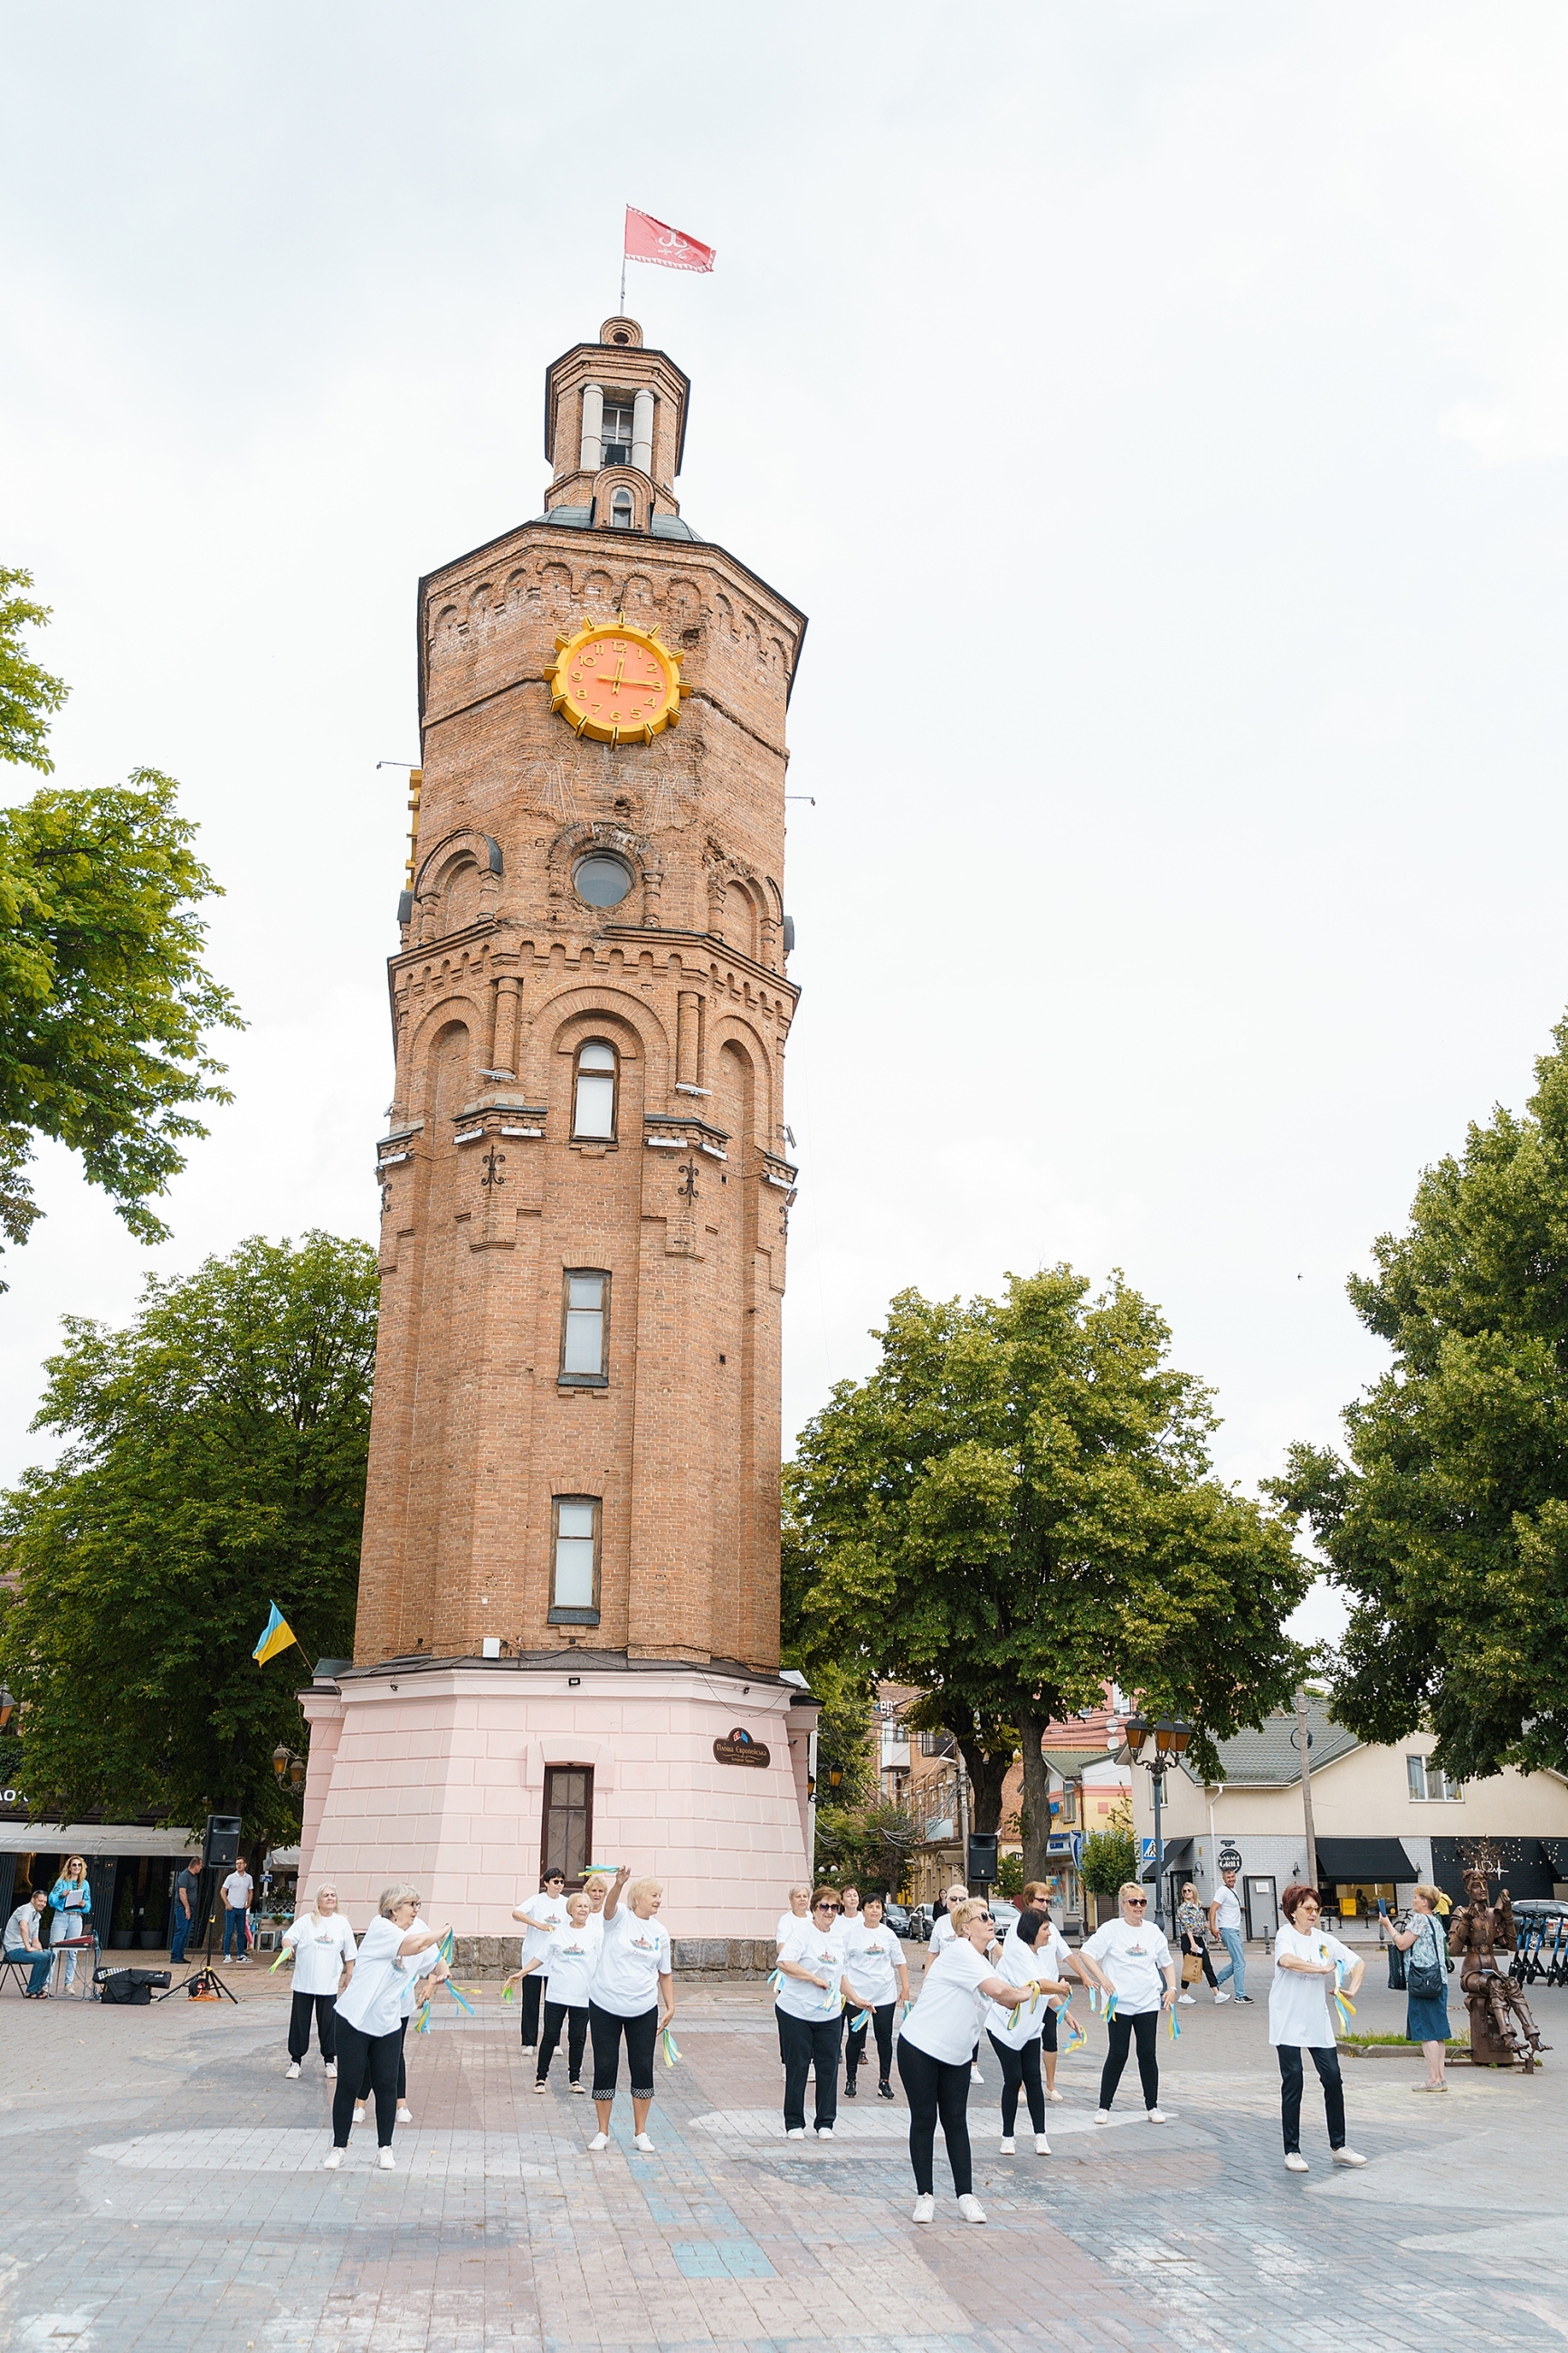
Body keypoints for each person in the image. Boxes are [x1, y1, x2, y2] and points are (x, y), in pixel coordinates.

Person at [897, 1896, 1035, 2226]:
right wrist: (1028, 1993)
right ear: (964, 1928)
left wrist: (1042, 1998)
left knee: (956, 2121)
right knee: (925, 2119)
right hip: (920, 2047)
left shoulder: (984, 1962)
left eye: (991, 1916)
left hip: (956, 2056)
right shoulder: (960, 1951)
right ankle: (925, 2196)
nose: (991, 1920)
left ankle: (965, 2196)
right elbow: (1002, 1993)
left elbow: (1004, 1997)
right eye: (983, 1916)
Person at [325, 1885, 449, 2171]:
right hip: (355, 2019)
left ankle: (385, 2148)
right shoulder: (381, 1928)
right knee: (349, 2083)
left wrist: (438, 1976)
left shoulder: (415, 1933)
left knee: (386, 2084)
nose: (416, 1909)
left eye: (418, 1903)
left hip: (388, 2022)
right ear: (394, 1908)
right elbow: (416, 1946)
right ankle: (338, 2148)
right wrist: (443, 1930)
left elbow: (436, 1962)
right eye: (411, 1904)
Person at [1269, 1881, 1366, 2172]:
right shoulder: (1284, 1935)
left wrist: (1351, 1989)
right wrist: (1321, 1969)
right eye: (1307, 1908)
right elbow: (1287, 1961)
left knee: (1333, 2078)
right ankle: (1292, 2151)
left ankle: (1339, 2146)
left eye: (1316, 1908)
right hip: (1286, 2017)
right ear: (1292, 1912)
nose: (1313, 1914)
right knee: (1294, 2079)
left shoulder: (1326, 1939)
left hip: (1316, 2019)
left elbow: (1357, 1962)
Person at [588, 1865, 674, 2154]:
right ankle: (602, 2132)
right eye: (653, 1894)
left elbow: (665, 1973)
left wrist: (670, 2005)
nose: (658, 1900)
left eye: (660, 1895)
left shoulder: (661, 1932)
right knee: (605, 2066)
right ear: (637, 1897)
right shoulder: (619, 1918)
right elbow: (609, 1907)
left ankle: (641, 2132)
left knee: (642, 2068)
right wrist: (618, 1884)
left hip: (643, 2009)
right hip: (605, 2005)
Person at [1078, 1882, 1178, 2123]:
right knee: (1118, 2053)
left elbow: (1166, 1963)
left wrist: (1172, 1988)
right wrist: (1101, 1979)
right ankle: (1104, 2106)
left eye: (1142, 1902)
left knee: (1147, 2053)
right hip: (1119, 2003)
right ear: (1124, 1905)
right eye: (1133, 1902)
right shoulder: (1111, 1929)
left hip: (1147, 2002)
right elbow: (1086, 1953)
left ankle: (1152, 2106)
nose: (1138, 1907)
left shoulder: (1153, 1931)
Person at [774, 1886, 869, 2140]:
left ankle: (825, 2122)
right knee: (799, 2066)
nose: (829, 1912)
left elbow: (841, 1975)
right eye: (824, 1907)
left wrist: (857, 1999)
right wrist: (812, 1978)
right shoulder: (802, 1932)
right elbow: (784, 1962)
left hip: (828, 2015)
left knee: (828, 2068)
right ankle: (794, 2122)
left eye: (833, 1907)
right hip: (796, 2011)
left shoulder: (839, 1937)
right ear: (814, 1909)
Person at [986, 1906, 1077, 2155]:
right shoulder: (1017, 1954)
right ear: (1031, 1931)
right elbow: (1040, 1985)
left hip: (1029, 2030)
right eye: (1046, 1929)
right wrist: (1060, 1987)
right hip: (1004, 2028)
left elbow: (1045, 1993)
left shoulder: (1037, 1957)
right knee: (1014, 2079)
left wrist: (1066, 2014)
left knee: (1033, 2080)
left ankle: (1040, 2136)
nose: (1049, 1934)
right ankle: (1008, 2137)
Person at [280, 1885, 356, 2078]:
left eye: (333, 1895)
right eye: (326, 1895)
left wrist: (349, 1974)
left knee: (329, 2023)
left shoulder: (342, 1923)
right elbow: (288, 1937)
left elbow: (350, 1952)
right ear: (318, 1900)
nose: (330, 1898)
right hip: (304, 1981)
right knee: (299, 2022)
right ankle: (295, 2062)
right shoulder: (307, 1921)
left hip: (328, 1983)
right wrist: (288, 1947)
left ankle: (329, 2061)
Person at [1382, 1884, 1449, 2091]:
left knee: (1426, 2032)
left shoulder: (1419, 1920)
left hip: (1422, 1981)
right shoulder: (1436, 1922)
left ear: (1425, 1902)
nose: (1412, 1901)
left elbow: (1402, 1944)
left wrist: (1388, 1925)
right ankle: (1441, 2077)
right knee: (1438, 2031)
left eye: (1416, 1898)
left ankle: (1432, 2079)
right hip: (1439, 1979)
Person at [532, 1891, 601, 2094]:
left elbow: (607, 1959)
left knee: (577, 2037)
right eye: (579, 1906)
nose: (583, 1910)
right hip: (557, 1994)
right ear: (571, 1909)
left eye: (586, 1906)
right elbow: (541, 1956)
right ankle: (540, 2078)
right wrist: (521, 1973)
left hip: (583, 1995)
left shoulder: (596, 1933)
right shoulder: (559, 1932)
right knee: (550, 2036)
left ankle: (575, 2079)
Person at [842, 1893, 909, 2101]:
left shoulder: (888, 1935)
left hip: (884, 1995)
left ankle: (884, 2081)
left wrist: (905, 1988)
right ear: (862, 1910)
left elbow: (900, 1962)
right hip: (858, 1995)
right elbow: (842, 1965)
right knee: (854, 2038)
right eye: (870, 1906)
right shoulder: (852, 1934)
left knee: (884, 2039)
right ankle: (851, 2079)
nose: (874, 1910)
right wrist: (846, 1992)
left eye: (878, 1907)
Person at [928, 1882, 986, 2082]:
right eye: (954, 1899)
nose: (958, 1902)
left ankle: (973, 2065)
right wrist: (928, 1981)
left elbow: (994, 1946)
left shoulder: (976, 1922)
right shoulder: (941, 1923)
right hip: (948, 1981)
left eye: (963, 1899)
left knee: (972, 2020)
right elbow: (932, 1954)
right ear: (946, 1902)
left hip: (970, 1979)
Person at [510, 1868, 568, 2054]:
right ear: (546, 1883)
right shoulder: (536, 1901)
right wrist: (538, 1924)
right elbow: (516, 1913)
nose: (559, 1885)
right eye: (555, 1882)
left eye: (561, 1882)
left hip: (556, 1961)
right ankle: (529, 2042)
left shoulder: (566, 1903)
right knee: (531, 2003)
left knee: (555, 2004)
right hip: (533, 1959)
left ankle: (553, 2041)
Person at [47, 1857, 92, 1996]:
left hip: (76, 1917)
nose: (76, 1867)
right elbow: (51, 1900)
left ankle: (68, 1983)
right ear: (69, 1867)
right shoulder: (62, 1882)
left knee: (72, 1952)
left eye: (79, 1865)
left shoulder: (84, 1884)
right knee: (53, 1950)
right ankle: (46, 1983)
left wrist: (84, 1905)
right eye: (74, 1865)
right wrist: (61, 1895)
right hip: (62, 1916)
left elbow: (89, 1905)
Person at [5, 1887, 54, 1996]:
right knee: (42, 1958)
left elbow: (35, 1939)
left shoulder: (37, 1915)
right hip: (13, 1950)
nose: (42, 1904)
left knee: (50, 1955)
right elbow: (23, 1927)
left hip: (23, 1949)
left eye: (45, 1902)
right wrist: (28, 1947)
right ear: (33, 1900)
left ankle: (38, 1988)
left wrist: (40, 1950)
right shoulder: (25, 1909)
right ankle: (31, 1991)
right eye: (40, 1901)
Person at [1175, 1881, 1219, 2003]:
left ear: (1194, 1891)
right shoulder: (1183, 1908)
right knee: (1190, 1966)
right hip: (1189, 1939)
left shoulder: (1198, 1907)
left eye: (1189, 1890)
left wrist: (1212, 1929)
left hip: (1199, 1938)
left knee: (1207, 1965)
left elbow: (1202, 1922)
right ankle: (1183, 1994)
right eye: (1184, 1891)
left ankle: (1216, 1993)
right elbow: (1187, 1926)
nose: (1187, 1893)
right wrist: (1192, 1943)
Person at [1209, 1867, 1247, 2001]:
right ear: (1224, 1879)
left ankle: (1215, 1983)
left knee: (1237, 1962)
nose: (1231, 1879)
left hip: (1234, 1930)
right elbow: (1213, 1909)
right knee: (1240, 1963)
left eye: (1233, 1877)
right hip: (1228, 1930)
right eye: (1228, 1877)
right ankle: (1240, 1995)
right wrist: (1213, 1928)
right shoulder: (1222, 1891)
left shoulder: (1232, 1891)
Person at [220, 1856, 253, 1965]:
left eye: (240, 1863)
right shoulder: (230, 1877)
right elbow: (223, 1891)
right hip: (232, 1908)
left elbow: (250, 1891)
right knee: (229, 1932)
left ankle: (240, 1954)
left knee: (241, 1932)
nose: (238, 1865)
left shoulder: (249, 1878)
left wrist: (248, 1903)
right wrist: (227, 1904)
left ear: (245, 1865)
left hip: (241, 1908)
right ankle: (227, 1954)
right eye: (237, 1863)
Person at [170, 1859, 202, 1964]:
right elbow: (182, 1893)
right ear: (196, 1865)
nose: (201, 1868)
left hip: (190, 1907)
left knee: (186, 1933)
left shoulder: (193, 1877)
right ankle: (175, 1956)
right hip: (182, 1907)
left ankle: (180, 1955)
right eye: (200, 1865)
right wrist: (187, 1908)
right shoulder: (184, 1876)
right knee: (181, 1931)